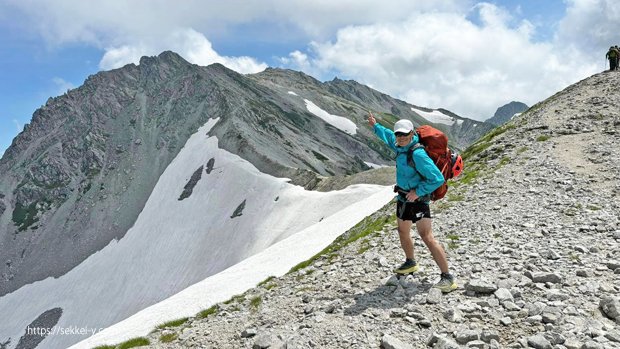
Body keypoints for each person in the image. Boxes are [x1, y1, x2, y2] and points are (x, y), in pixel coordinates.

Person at [368, 112, 457, 292]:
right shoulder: (399, 145)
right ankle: (410, 263)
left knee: (426, 236)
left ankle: (448, 278)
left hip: (418, 200)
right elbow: (387, 135)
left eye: (404, 134)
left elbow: (437, 179)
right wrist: (375, 126)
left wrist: (418, 192)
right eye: (398, 134)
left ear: (411, 134)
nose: (400, 137)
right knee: (402, 231)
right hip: (403, 197)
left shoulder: (418, 154)